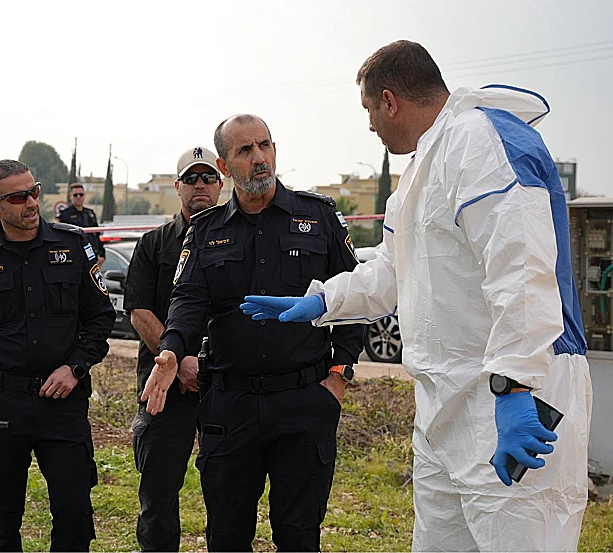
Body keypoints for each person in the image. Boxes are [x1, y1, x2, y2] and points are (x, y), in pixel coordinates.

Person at [240, 41, 592, 552]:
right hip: (444, 403)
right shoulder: (424, 169)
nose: (370, 128)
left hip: (507, 396)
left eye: (368, 112)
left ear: (389, 101)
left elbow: (521, 268)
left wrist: (515, 387)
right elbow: (394, 270)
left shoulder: (480, 142)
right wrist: (323, 302)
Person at [141, 115, 364, 552]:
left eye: (264, 145)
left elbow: (355, 297)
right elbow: (187, 301)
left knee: (299, 536)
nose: (259, 158)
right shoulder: (205, 230)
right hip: (231, 406)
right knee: (227, 536)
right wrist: (169, 353)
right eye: (245, 150)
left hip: (304, 402)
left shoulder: (317, 217)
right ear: (225, 166)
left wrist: (338, 375)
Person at [0, 159, 115, 552]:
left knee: (74, 512)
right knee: (0, 519)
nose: (31, 203)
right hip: (2, 404)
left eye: (34, 191)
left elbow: (101, 319)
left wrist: (75, 367)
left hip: (63, 402)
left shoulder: (72, 243)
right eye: (18, 197)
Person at [123, 146, 223, 551]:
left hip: (223, 385)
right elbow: (139, 311)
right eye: (191, 178)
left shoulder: (238, 238)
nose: (200, 186)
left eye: (208, 178)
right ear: (177, 186)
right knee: (158, 492)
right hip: (165, 387)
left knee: (227, 491)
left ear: (221, 183)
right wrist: (179, 360)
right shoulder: (153, 244)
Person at [57, 182, 105, 266]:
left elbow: (97, 235)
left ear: (84, 195)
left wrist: (102, 255)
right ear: (70, 196)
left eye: (81, 194)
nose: (78, 197)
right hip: (74, 257)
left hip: (91, 256)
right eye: (75, 195)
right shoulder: (65, 215)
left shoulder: (90, 214)